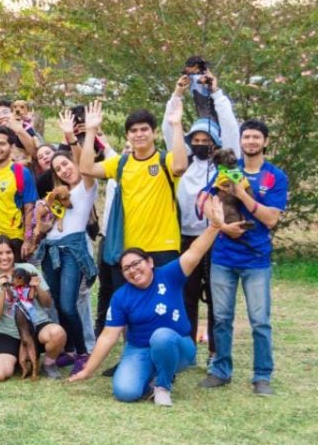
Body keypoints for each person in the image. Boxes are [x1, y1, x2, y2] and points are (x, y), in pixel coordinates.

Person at [70, 196, 227, 406]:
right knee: (125, 392)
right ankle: (153, 375)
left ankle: (163, 385)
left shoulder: (170, 274)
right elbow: (108, 336)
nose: (133, 270)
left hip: (178, 346)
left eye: (137, 264)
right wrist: (87, 370)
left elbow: (195, 252)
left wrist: (215, 226)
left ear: (150, 262)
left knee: (161, 337)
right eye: (127, 268)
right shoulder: (121, 297)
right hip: (139, 349)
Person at [197, 119, 287, 396]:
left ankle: (262, 376)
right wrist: (224, 227)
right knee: (221, 317)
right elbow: (206, 202)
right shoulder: (224, 171)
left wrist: (242, 194)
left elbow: (271, 219)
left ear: (265, 142)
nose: (250, 141)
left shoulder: (274, 176)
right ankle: (220, 370)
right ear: (241, 141)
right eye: (246, 137)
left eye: (256, 137)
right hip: (224, 256)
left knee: (260, 320)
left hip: (256, 259)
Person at [162, 70, 240, 362]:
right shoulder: (181, 161)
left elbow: (231, 129)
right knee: (186, 295)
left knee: (218, 298)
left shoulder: (223, 164)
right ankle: (187, 350)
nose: (200, 142)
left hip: (216, 237)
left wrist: (217, 94)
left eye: (206, 138)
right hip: (184, 238)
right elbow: (170, 129)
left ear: (215, 142)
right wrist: (177, 94)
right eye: (195, 138)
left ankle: (216, 353)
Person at [80, 99, 188, 272]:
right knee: (133, 299)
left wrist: (176, 125)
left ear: (154, 133)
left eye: (144, 129)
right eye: (133, 131)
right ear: (127, 135)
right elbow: (86, 168)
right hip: (130, 249)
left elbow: (181, 166)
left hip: (164, 246)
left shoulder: (165, 160)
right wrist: (91, 131)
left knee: (162, 298)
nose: (139, 134)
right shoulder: (120, 163)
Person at [32, 140, 99, 374]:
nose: (64, 170)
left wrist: (73, 138)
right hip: (50, 251)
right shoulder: (58, 196)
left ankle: (83, 354)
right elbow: (44, 228)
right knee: (58, 305)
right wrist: (42, 220)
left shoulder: (86, 188)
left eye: (65, 164)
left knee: (69, 306)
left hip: (72, 251)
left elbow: (85, 166)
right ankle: (70, 350)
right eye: (58, 169)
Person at [0, 237, 67, 381]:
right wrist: (3, 291)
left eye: (8, 252)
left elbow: (47, 303)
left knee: (57, 333)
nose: (4, 257)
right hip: (8, 332)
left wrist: (37, 287)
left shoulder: (29, 269)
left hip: (36, 326)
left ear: (14, 254)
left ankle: (49, 364)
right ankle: (19, 357)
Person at [0, 126, 37, 260]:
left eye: (2, 144)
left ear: (11, 147)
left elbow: (29, 208)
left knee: (15, 281)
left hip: (12, 239)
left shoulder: (21, 172)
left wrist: (28, 240)